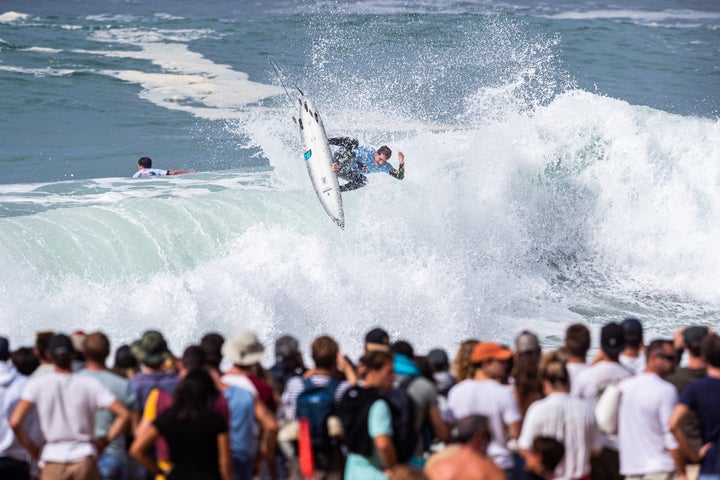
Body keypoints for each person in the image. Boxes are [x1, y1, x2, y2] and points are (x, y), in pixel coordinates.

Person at [10, 333, 131, 480]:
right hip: (84, 459)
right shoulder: (88, 384)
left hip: (52, 458)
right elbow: (124, 414)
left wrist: (32, 448)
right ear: (74, 355)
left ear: (49, 355)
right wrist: (104, 442)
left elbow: (15, 421)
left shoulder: (38, 384)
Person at [129, 369, 232, 480]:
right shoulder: (215, 419)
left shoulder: (168, 417)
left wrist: (159, 471)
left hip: (177, 475)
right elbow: (225, 463)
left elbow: (136, 450)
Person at [281, 335, 357, 479]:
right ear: (336, 358)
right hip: (331, 456)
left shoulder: (296, 385)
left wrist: (308, 371)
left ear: (312, 356)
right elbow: (358, 392)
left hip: (303, 455)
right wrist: (347, 368)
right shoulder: (341, 388)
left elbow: (285, 410)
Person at [444, 341, 522, 474]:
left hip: (465, 465)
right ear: (486, 363)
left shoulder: (457, 391)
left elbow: (446, 431)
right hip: (498, 464)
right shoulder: (504, 393)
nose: (506, 365)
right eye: (501, 361)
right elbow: (517, 433)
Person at [518, 357, 601, 480]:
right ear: (568, 382)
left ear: (545, 384)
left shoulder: (537, 409)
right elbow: (596, 450)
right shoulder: (587, 409)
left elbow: (524, 447)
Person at [571, 322, 633, 480]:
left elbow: (574, 413)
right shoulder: (633, 377)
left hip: (593, 447)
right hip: (624, 450)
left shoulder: (585, 376)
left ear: (600, 345)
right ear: (624, 345)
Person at [617, 339, 682, 480]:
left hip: (631, 467)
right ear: (653, 359)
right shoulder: (666, 390)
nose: (675, 362)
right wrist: (682, 471)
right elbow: (671, 433)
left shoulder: (625, 386)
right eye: (670, 358)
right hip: (660, 467)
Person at [79, 332, 139, 480]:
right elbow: (135, 430)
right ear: (108, 352)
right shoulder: (124, 385)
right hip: (114, 457)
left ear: (84, 351)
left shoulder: (72, 382)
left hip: (80, 457)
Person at [340, 350, 398, 480]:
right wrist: (395, 469)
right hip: (375, 472)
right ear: (373, 371)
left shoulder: (348, 396)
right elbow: (383, 444)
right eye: (389, 372)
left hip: (351, 471)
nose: (393, 377)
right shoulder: (378, 404)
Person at [669, 333, 720, 478]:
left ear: (703, 358)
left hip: (711, 466)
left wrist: (694, 455)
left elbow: (673, 424)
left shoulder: (696, 388)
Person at [424, 415, 505, 480]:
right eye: (489, 436)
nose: (489, 442)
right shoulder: (488, 470)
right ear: (478, 438)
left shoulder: (435, 461)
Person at [328, 137, 405, 192]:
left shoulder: (384, 166)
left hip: (345, 172)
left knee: (363, 181)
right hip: (339, 160)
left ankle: (337, 190)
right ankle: (328, 141)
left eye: (384, 161)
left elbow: (399, 176)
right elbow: (350, 153)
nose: (381, 163)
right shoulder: (367, 152)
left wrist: (401, 163)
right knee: (354, 142)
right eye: (380, 159)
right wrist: (338, 163)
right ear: (376, 153)